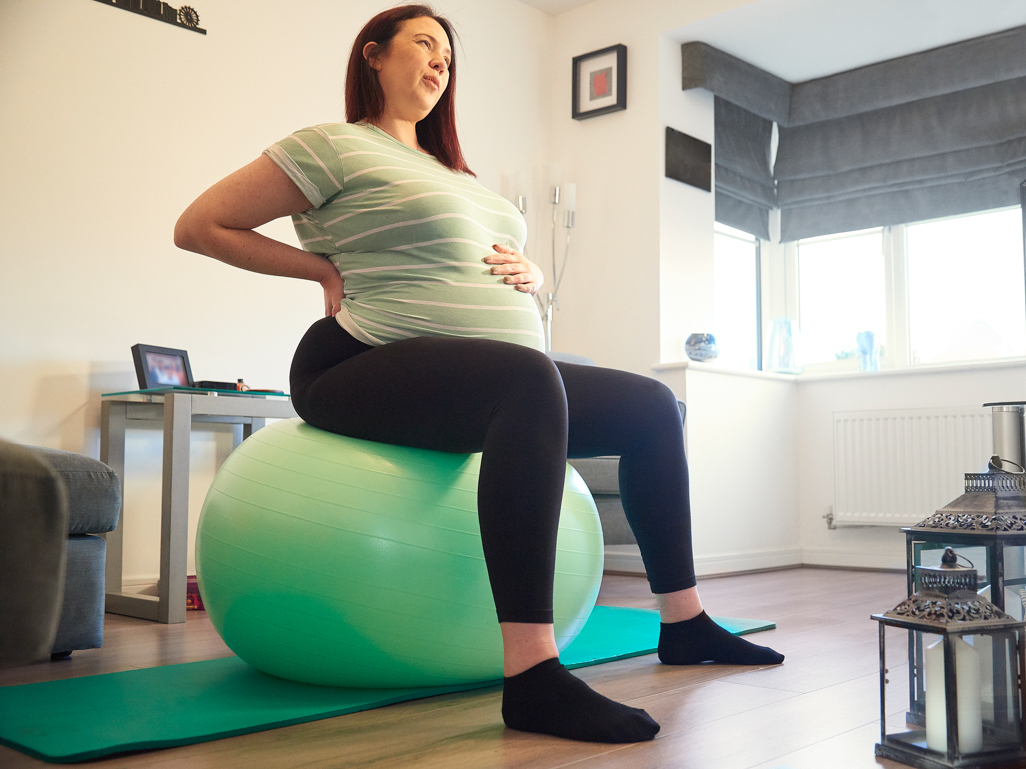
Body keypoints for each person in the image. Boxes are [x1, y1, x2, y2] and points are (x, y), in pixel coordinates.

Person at [174, 4, 783, 745]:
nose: (440, 63)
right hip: (358, 360)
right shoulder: (334, 148)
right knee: (527, 382)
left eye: (449, 57)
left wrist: (523, 270)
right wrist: (318, 268)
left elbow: (464, 251)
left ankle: (685, 622)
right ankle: (531, 676)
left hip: (479, 370)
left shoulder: (451, 171)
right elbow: (201, 224)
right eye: (424, 45)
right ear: (372, 55)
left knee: (652, 404)